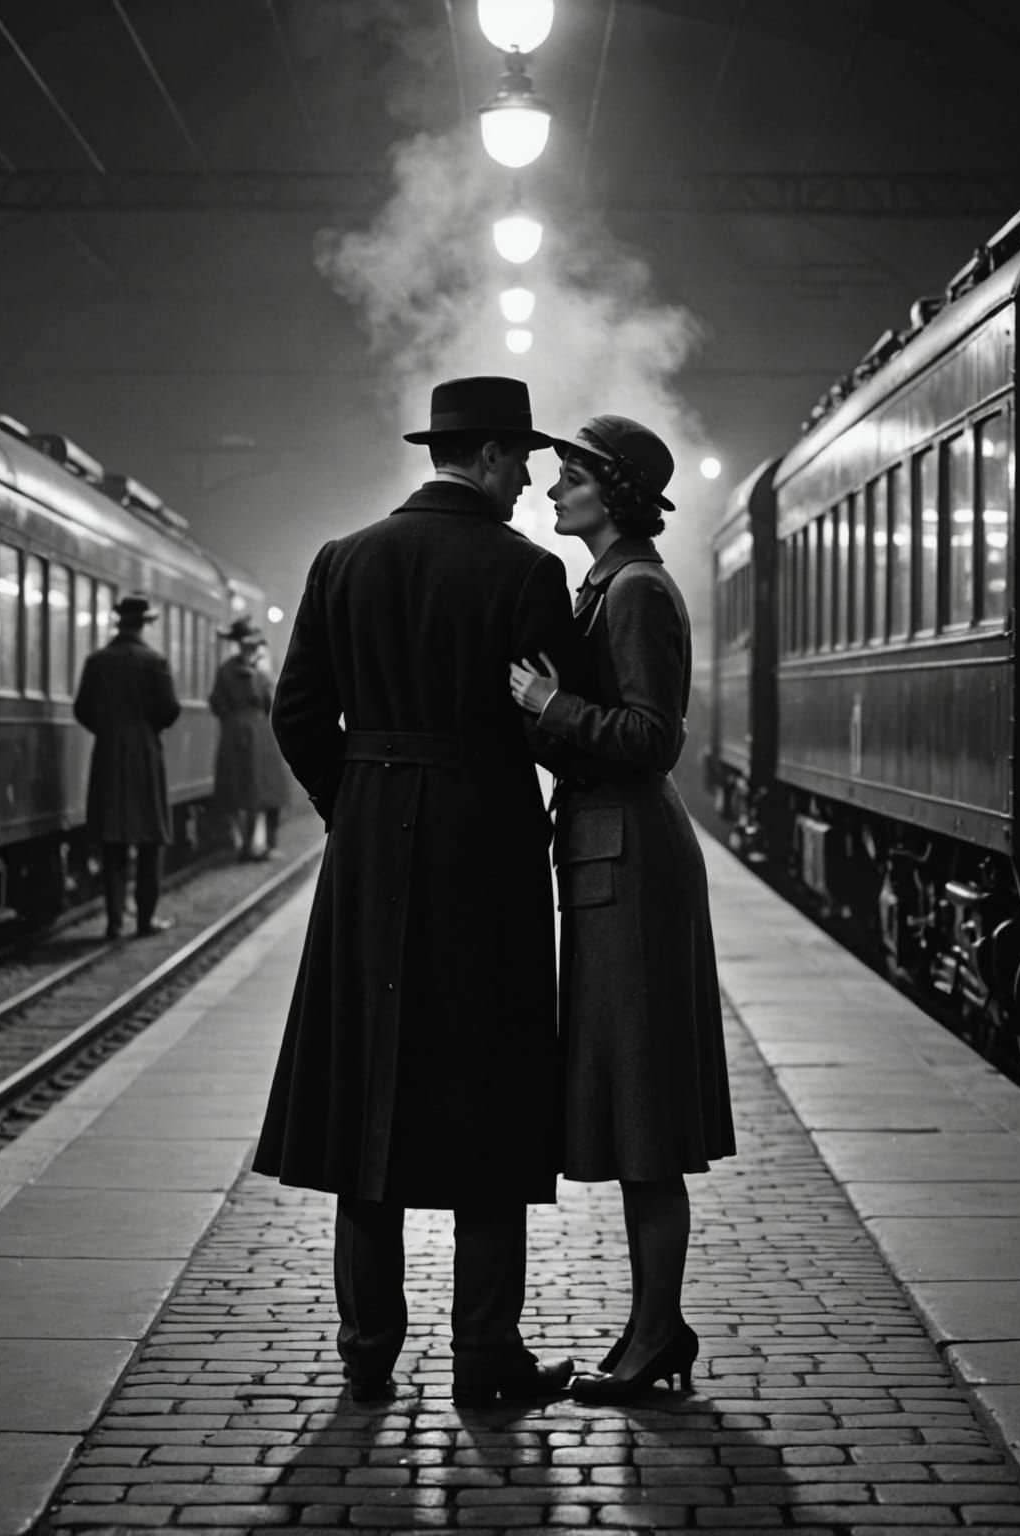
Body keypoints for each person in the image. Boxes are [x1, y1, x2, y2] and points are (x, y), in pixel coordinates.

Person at [254, 376, 581, 1406]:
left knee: (368, 1093)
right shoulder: (528, 571)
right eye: (519, 460)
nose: (527, 481)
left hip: (369, 854)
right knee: (491, 1088)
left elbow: (296, 713)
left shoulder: (342, 559)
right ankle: (485, 1356)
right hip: (485, 851)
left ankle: (367, 1352)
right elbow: (554, 726)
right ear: (485, 457)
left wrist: (352, 804)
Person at [509, 414, 737, 1404]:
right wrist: (544, 714)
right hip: (614, 855)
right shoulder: (606, 585)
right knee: (635, 1106)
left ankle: (656, 1334)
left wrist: (547, 706)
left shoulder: (636, 589)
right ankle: (653, 1328)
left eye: (571, 477)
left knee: (645, 1111)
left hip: (632, 862)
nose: (553, 490)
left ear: (618, 493)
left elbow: (652, 736)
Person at [73, 592, 182, 939]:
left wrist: (108, 729)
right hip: (146, 755)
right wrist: (147, 728)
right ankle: (145, 920)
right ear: (144, 625)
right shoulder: (155, 661)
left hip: (107, 753)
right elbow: (170, 709)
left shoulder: (97, 661)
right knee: (150, 842)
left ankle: (114, 921)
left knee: (112, 842)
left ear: (120, 622)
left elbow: (81, 709)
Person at [209, 617, 291, 860]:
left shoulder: (226, 671)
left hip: (237, 732)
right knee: (262, 788)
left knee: (244, 789)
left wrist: (232, 718)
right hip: (258, 731)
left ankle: (249, 844)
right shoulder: (260, 674)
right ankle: (258, 845)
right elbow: (269, 704)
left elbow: (216, 703)